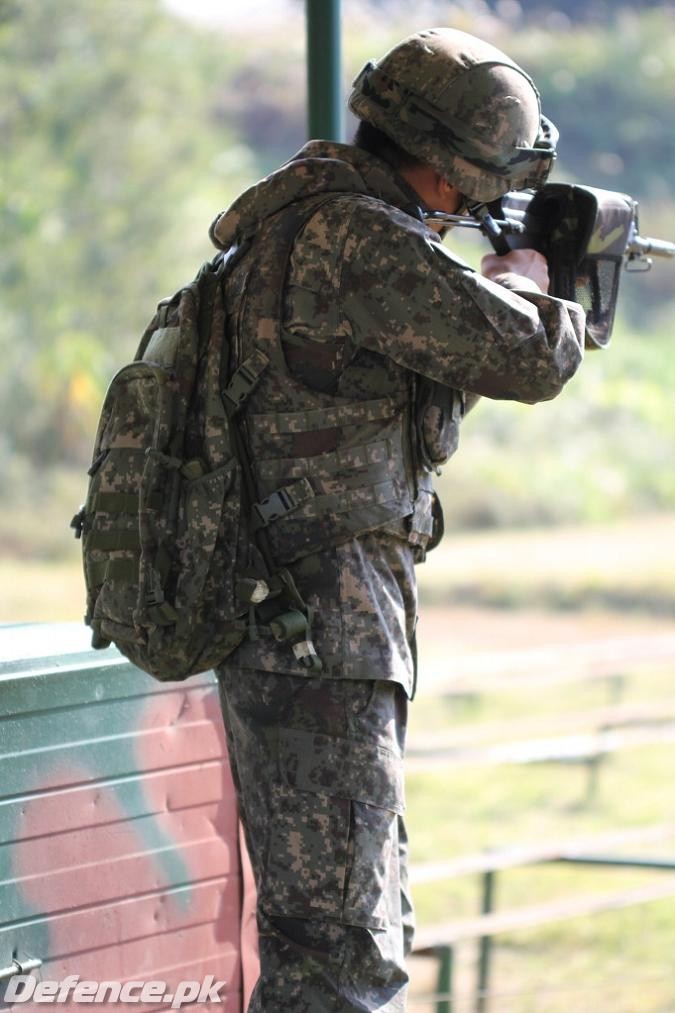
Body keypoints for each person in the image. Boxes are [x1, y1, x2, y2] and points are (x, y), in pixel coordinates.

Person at [212, 27, 585, 1012]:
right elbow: (530, 355)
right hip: (320, 630)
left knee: (347, 927)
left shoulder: (308, 217)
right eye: (474, 181)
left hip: (308, 624)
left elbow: (411, 392)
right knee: (342, 956)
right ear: (440, 161)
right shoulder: (355, 233)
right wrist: (540, 275)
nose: (471, 204)